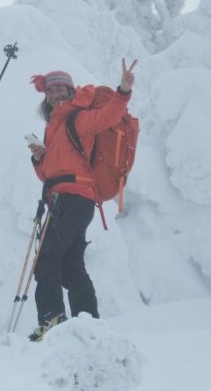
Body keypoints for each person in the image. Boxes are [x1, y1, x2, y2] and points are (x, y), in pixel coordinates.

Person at [26, 59, 137, 341]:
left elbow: (109, 116)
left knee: (46, 259)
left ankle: (52, 321)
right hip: (63, 198)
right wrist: (39, 158)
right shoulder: (53, 127)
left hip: (75, 198)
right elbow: (50, 174)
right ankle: (88, 322)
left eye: (62, 89)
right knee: (70, 265)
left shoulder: (78, 118)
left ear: (71, 92)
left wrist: (123, 91)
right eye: (51, 91)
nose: (56, 94)